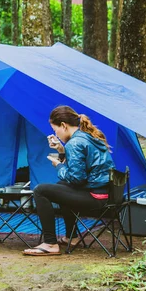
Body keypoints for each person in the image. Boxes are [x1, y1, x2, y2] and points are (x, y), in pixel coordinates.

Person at [23, 105, 115, 256]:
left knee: (40, 190)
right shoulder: (87, 136)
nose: (56, 134)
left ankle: (50, 243)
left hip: (95, 197)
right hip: (104, 193)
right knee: (61, 187)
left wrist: (59, 166)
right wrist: (61, 151)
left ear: (63, 126)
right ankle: (71, 237)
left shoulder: (75, 143)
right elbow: (82, 167)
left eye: (55, 129)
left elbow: (76, 179)